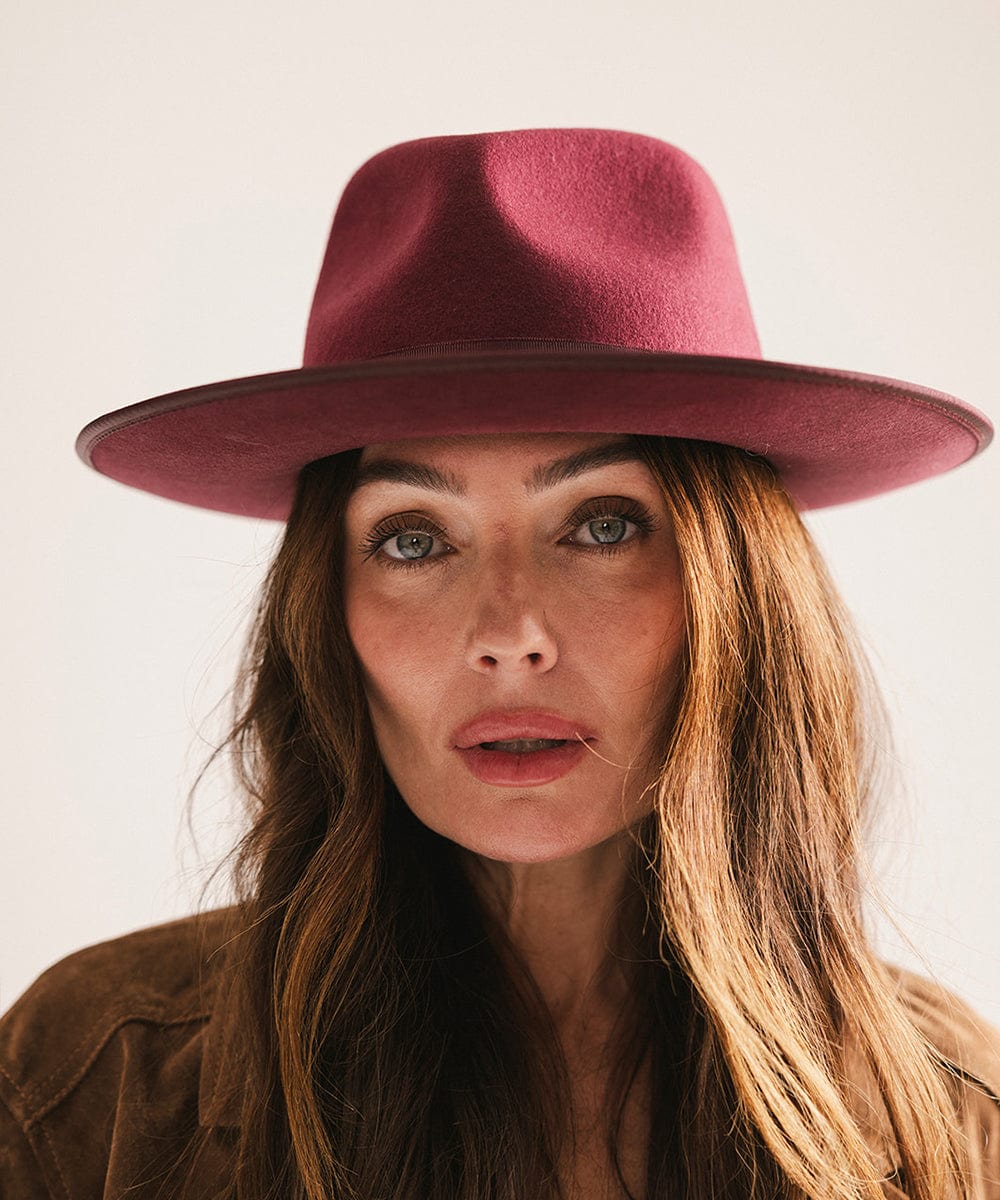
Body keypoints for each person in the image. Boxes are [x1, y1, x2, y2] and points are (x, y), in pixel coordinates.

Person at [0, 128, 997, 1200]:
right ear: (323, 614)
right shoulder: (99, 1080)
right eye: (414, 539)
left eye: (604, 524)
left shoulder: (946, 1115)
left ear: (739, 593)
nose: (509, 630)